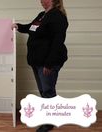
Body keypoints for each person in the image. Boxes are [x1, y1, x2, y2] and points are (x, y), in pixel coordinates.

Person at [13, 0, 68, 131]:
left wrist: (49, 64)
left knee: (48, 91)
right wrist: (18, 26)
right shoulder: (42, 15)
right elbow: (31, 28)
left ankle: (49, 123)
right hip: (37, 61)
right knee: (44, 91)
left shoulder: (58, 16)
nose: (41, 0)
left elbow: (58, 42)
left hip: (47, 62)